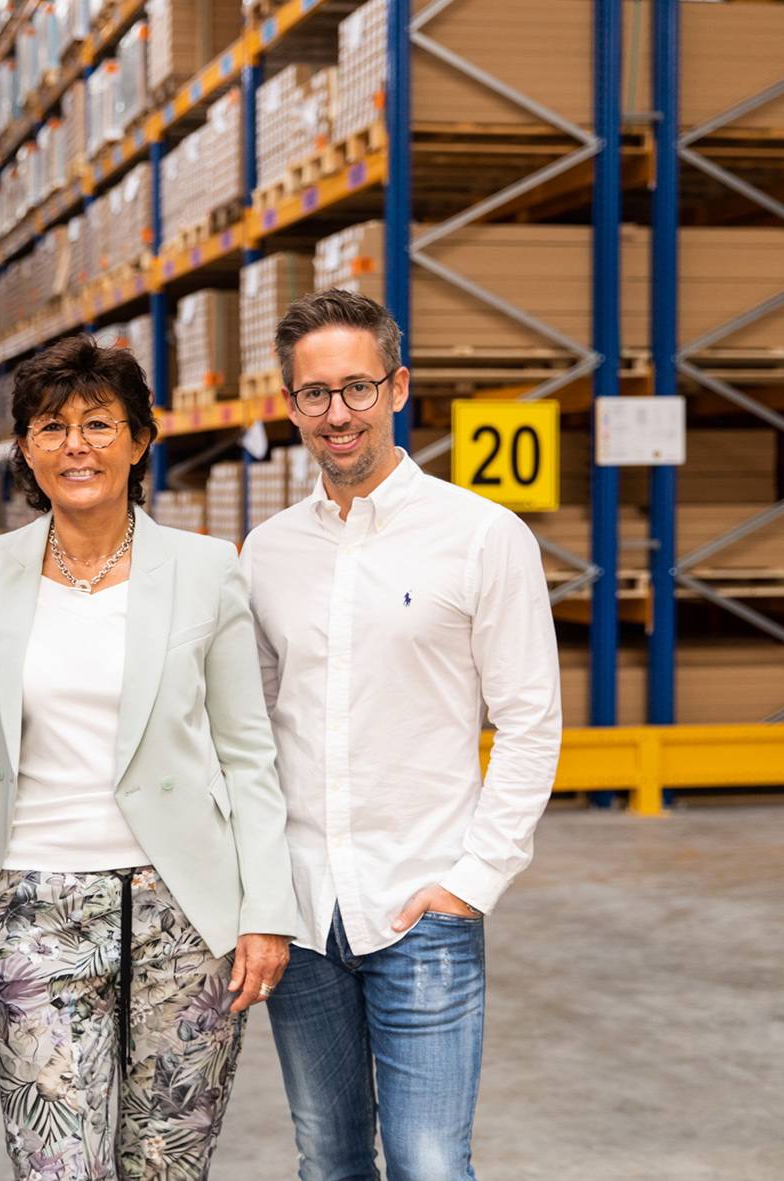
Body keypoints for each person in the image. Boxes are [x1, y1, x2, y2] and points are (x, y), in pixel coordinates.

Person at [241, 290, 562, 1181]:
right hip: (304, 913)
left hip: (422, 903)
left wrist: (474, 879)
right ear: (292, 402)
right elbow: (254, 728)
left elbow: (531, 718)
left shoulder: (482, 537)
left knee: (428, 1163)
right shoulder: (265, 552)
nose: (337, 413)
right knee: (329, 1159)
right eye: (314, 393)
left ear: (398, 387)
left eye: (357, 387)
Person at [0, 335, 297, 1180]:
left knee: (166, 1164)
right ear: (26, 450)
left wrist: (265, 907)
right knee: (56, 1167)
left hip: (183, 910)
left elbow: (248, 752)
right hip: (33, 907)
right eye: (51, 426)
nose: (77, 445)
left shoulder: (205, 568)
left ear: (141, 440)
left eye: (99, 423)